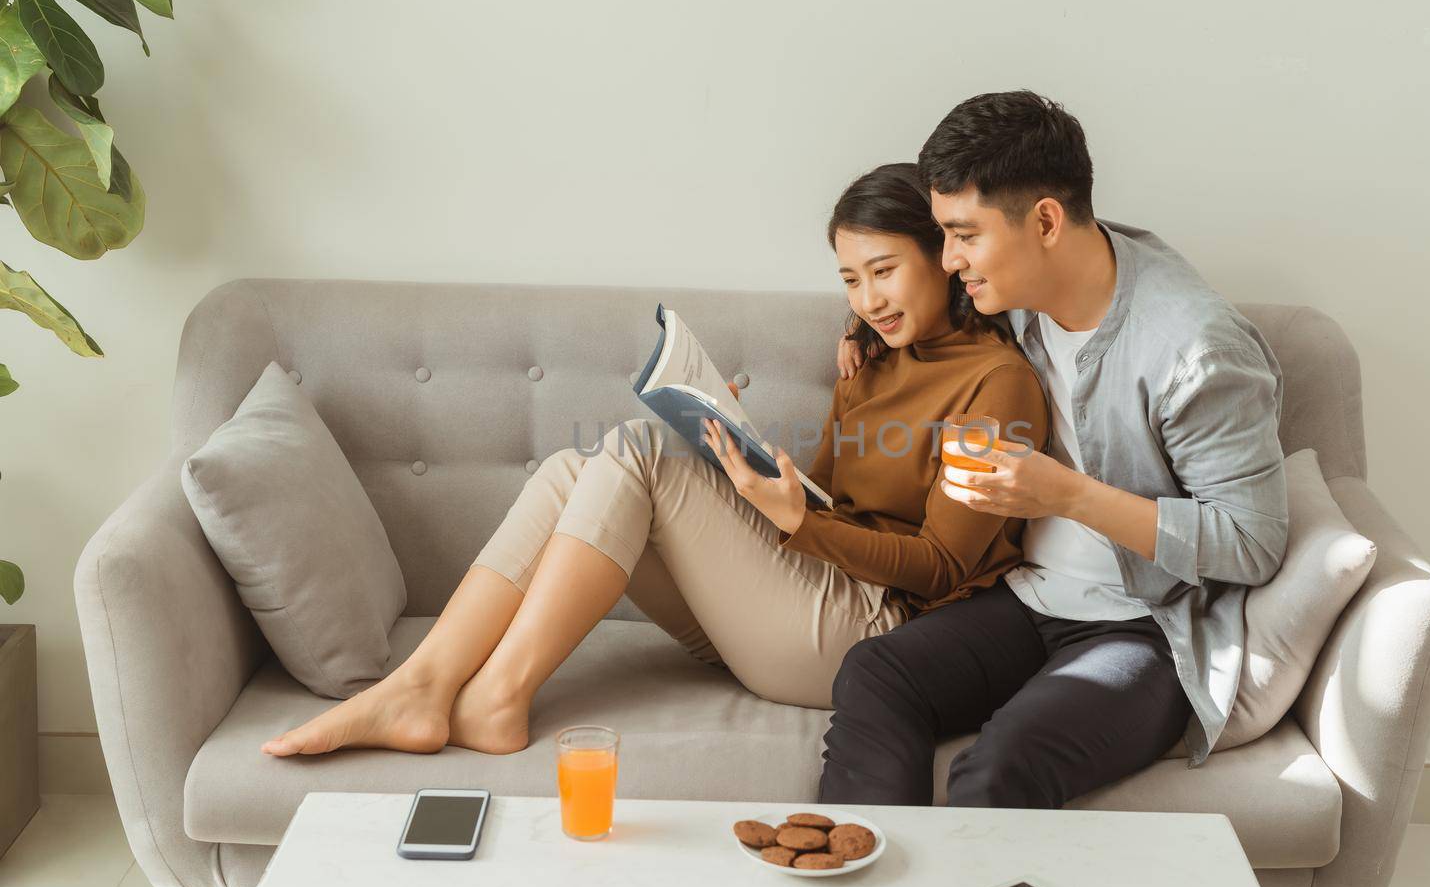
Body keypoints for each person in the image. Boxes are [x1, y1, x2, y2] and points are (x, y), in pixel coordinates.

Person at [260, 162, 1049, 758]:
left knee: (635, 454)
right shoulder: (871, 356)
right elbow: (840, 502)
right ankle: (422, 687)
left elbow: (941, 567)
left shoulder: (995, 384)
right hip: (797, 607)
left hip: (872, 639)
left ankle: (497, 695)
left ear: (944, 257)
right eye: (851, 279)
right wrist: (735, 441)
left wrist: (799, 523)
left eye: (885, 272)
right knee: (575, 470)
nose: (869, 299)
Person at [820, 91, 1289, 809]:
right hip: (1027, 599)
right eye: (944, 236)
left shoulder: (1196, 350)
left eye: (964, 236)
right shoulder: (1019, 284)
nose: (948, 262)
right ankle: (857, 886)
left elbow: (1252, 544)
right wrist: (858, 330)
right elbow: (890, 280)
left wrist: (1067, 496)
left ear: (1045, 221)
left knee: (1000, 766)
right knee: (876, 673)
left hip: (1143, 631)